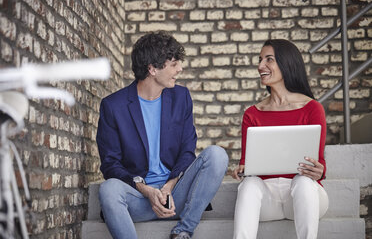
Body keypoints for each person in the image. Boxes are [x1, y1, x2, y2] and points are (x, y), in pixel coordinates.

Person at [96, 31, 228, 239]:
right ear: (153, 69)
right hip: (139, 198)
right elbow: (110, 164)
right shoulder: (113, 106)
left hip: (176, 196)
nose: (180, 69)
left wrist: (169, 186)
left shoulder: (181, 97)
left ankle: (183, 230)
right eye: (174, 63)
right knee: (108, 190)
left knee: (217, 155)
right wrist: (147, 190)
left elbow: (187, 150)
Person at [232, 39, 329, 239]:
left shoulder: (312, 108)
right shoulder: (252, 114)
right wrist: (242, 169)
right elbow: (246, 163)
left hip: (303, 198)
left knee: (303, 182)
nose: (260, 66)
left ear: (286, 64)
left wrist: (320, 170)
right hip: (267, 200)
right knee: (248, 185)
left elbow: (317, 161)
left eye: (269, 60)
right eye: (260, 60)